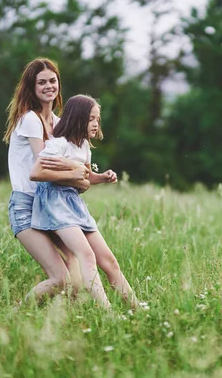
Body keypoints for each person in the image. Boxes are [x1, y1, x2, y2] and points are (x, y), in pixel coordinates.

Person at [30, 94, 139, 309]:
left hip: (74, 204)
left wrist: (102, 178)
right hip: (55, 204)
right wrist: (71, 174)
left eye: (97, 119)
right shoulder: (58, 144)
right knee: (86, 254)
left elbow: (84, 179)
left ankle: (137, 308)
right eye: (91, 119)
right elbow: (35, 172)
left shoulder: (84, 147)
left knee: (109, 261)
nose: (96, 123)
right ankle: (107, 313)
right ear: (77, 118)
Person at [4, 58, 89, 303]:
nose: (48, 86)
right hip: (26, 205)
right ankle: (14, 319)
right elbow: (45, 166)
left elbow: (79, 174)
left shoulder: (60, 124)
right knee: (60, 278)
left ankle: (70, 323)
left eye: (53, 81)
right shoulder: (30, 119)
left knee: (76, 266)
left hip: (52, 203)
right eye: (41, 82)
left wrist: (81, 176)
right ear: (31, 87)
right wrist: (76, 173)